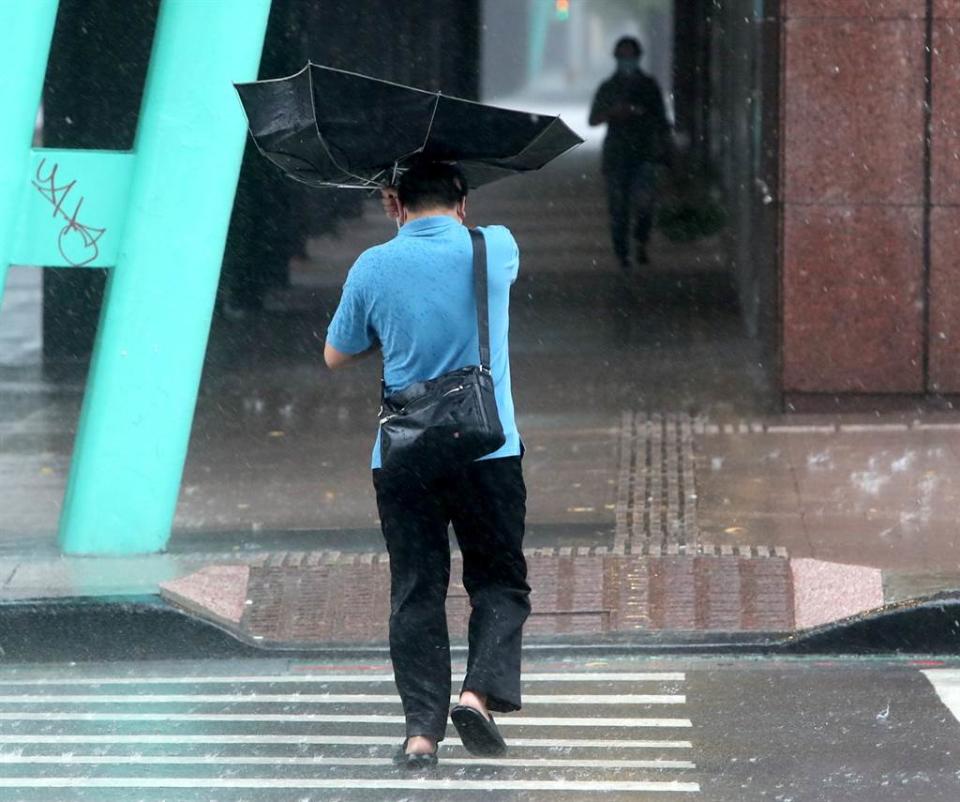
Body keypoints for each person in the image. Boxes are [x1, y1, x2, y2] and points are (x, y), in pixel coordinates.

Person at [323, 160, 530, 770]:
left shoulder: (373, 266)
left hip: (405, 455)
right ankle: (477, 693)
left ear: (395, 202)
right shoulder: (495, 249)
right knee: (498, 581)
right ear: (462, 201)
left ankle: (421, 734)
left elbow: (338, 354)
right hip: (489, 450)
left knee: (417, 589)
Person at [589, 35, 671, 269]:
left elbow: (661, 120)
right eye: (622, 56)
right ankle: (622, 252)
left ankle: (641, 242)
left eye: (630, 56)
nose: (626, 61)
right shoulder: (608, 88)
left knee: (644, 204)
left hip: (644, 153)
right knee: (618, 208)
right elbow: (593, 118)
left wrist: (665, 150)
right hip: (616, 155)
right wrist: (614, 113)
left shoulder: (648, 86)